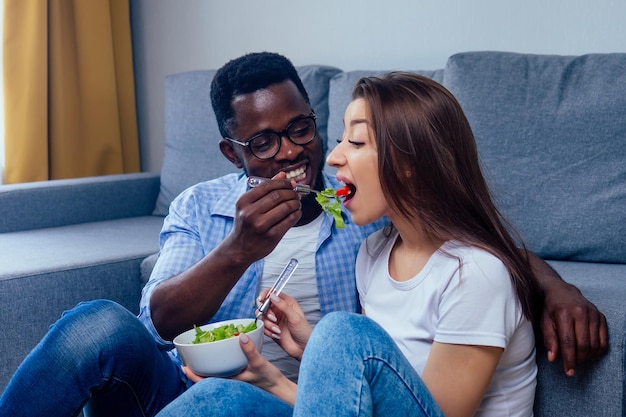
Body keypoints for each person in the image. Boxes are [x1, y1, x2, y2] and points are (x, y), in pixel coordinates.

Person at [0, 53, 607, 417]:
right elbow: (157, 320)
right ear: (230, 151)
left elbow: (468, 239)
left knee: (325, 344)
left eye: (303, 130)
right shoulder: (206, 206)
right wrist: (239, 249)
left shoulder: (354, 217)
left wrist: (557, 290)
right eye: (263, 142)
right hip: (183, 386)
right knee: (98, 325)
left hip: (293, 401)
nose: (296, 152)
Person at [154, 71, 539, 417]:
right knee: (219, 398)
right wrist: (281, 372)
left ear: (409, 162)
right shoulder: (374, 252)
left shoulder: (476, 274)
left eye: (355, 142)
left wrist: (332, 343)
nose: (334, 157)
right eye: (340, 139)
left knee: (340, 330)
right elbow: (372, 395)